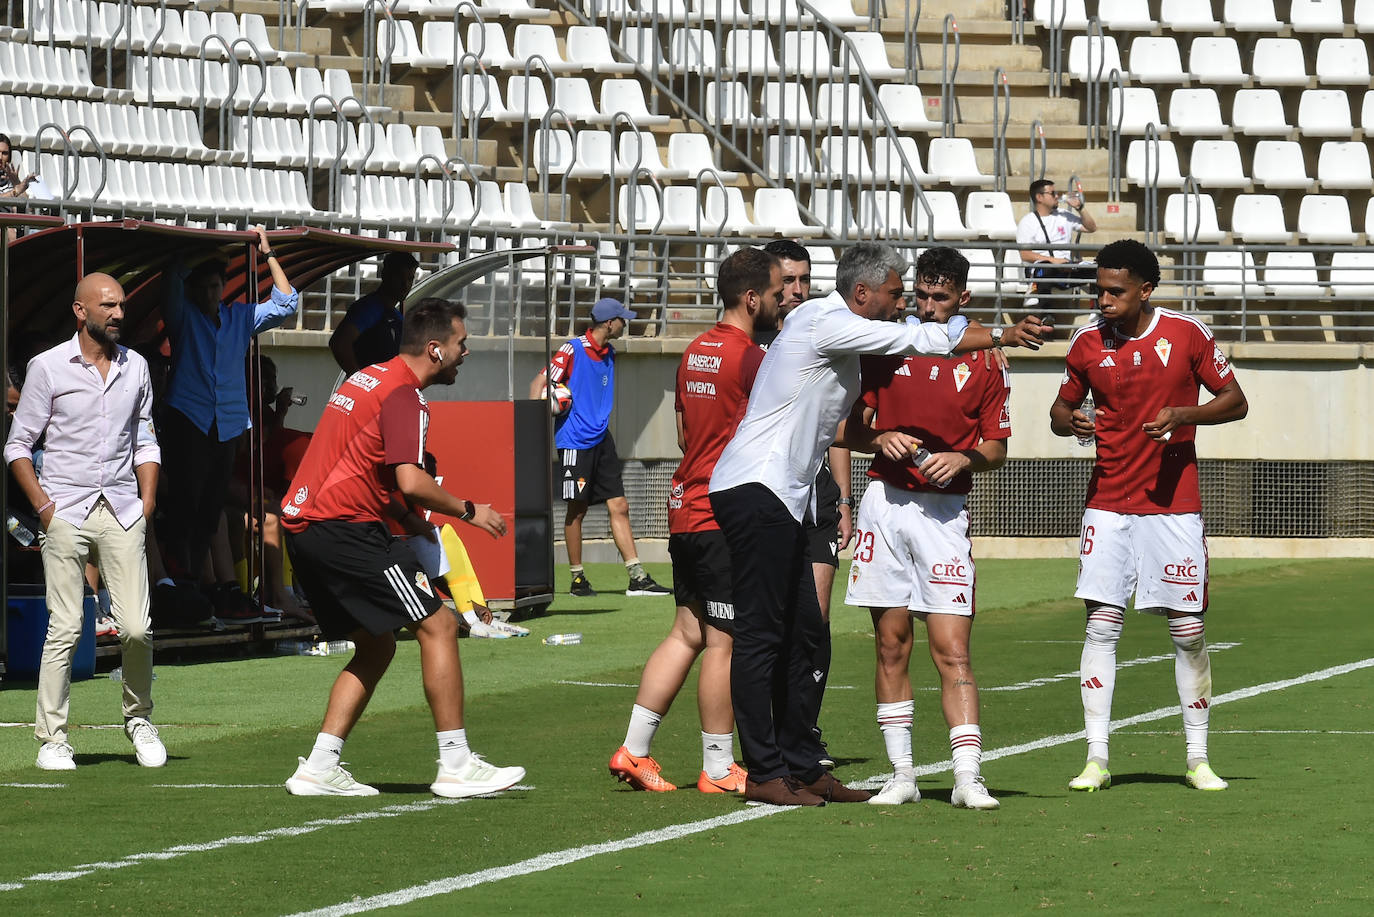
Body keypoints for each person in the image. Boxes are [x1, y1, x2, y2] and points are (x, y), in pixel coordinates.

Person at [708, 242, 1048, 807]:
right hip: (757, 490)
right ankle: (765, 772)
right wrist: (1002, 335)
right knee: (765, 634)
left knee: (806, 633)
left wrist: (985, 355)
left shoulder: (841, 328)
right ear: (863, 293)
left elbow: (851, 420)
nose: (905, 305)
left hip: (785, 497)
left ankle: (804, 764)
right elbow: (917, 339)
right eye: (899, 293)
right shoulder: (831, 323)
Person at [280, 298, 525, 798]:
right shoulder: (404, 397)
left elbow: (367, 471)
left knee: (378, 643)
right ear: (435, 349)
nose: (466, 352)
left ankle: (319, 766)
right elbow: (410, 479)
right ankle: (456, 764)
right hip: (342, 530)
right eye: (461, 344)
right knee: (439, 625)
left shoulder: (366, 377)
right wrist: (468, 509)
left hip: (307, 528)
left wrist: (411, 524)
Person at [1049, 239, 1248, 793]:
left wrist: (1185, 413)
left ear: (1145, 290)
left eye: (1116, 291)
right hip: (1108, 502)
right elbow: (1059, 408)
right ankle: (1096, 758)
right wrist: (1072, 423)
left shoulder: (1187, 334)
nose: (1104, 299)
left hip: (1173, 505)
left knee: (1187, 631)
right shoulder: (1087, 342)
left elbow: (1236, 399)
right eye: (1100, 290)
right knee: (1102, 624)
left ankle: (1198, 758)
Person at [609, 247, 782, 795]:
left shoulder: (695, 351)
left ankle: (634, 750)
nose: (782, 302)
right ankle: (717, 766)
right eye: (777, 293)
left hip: (685, 505)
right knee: (722, 638)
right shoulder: (751, 358)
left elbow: (686, 434)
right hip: (719, 512)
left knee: (687, 632)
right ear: (752, 299)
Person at [843, 248, 1010, 809]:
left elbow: (996, 447)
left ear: (964, 297)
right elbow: (846, 428)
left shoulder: (986, 361)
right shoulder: (886, 345)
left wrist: (965, 460)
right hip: (884, 506)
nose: (930, 307)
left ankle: (967, 777)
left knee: (952, 650)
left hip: (945, 515)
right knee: (891, 645)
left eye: (942, 298)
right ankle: (903, 775)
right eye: (922, 296)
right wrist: (877, 440)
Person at [4, 272, 167, 770]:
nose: (119, 314)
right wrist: (44, 508)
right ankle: (53, 738)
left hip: (122, 508)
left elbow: (145, 438)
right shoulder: (47, 367)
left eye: (121, 306)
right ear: (81, 311)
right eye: (109, 306)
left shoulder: (135, 366)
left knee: (137, 628)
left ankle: (139, 719)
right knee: (67, 625)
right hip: (65, 510)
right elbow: (17, 444)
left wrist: (147, 502)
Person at [160, 227, 298, 597]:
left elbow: (286, 303)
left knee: (210, 507)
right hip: (189, 418)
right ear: (193, 290)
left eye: (214, 286)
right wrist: (200, 248)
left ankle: (201, 585)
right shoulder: (183, 316)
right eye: (202, 287)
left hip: (228, 424)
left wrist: (267, 253)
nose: (208, 293)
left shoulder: (240, 316)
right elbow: (172, 275)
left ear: (223, 287)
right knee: (186, 503)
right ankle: (183, 578)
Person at [761, 239, 852, 767]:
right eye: (787, 281)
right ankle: (763, 743)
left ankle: (804, 732)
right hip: (767, 495)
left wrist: (841, 499)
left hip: (816, 497)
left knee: (815, 621)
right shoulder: (755, 343)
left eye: (803, 280)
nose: (796, 290)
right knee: (768, 623)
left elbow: (835, 429)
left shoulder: (824, 333)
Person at [529, 297, 670, 598]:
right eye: (622, 319)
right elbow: (540, 383)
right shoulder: (572, 349)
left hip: (602, 439)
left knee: (619, 505)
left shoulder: (610, 353)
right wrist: (534, 422)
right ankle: (578, 579)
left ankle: (637, 577)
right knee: (576, 511)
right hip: (574, 442)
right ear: (609, 322)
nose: (625, 323)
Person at [328, 252, 420, 376]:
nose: (405, 285)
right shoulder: (368, 308)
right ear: (385, 275)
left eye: (410, 279)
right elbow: (339, 343)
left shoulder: (396, 316)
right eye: (399, 277)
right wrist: (359, 379)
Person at [1016, 178, 1098, 300]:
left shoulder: (1063, 215)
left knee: (1098, 270)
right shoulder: (1027, 222)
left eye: (1057, 193)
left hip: (1066, 268)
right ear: (1039, 197)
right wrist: (1053, 261)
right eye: (1052, 193)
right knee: (1046, 268)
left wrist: (1080, 208)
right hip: (1043, 269)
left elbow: (1091, 228)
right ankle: (1044, 315)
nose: (1057, 196)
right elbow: (1025, 255)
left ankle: (1097, 312)